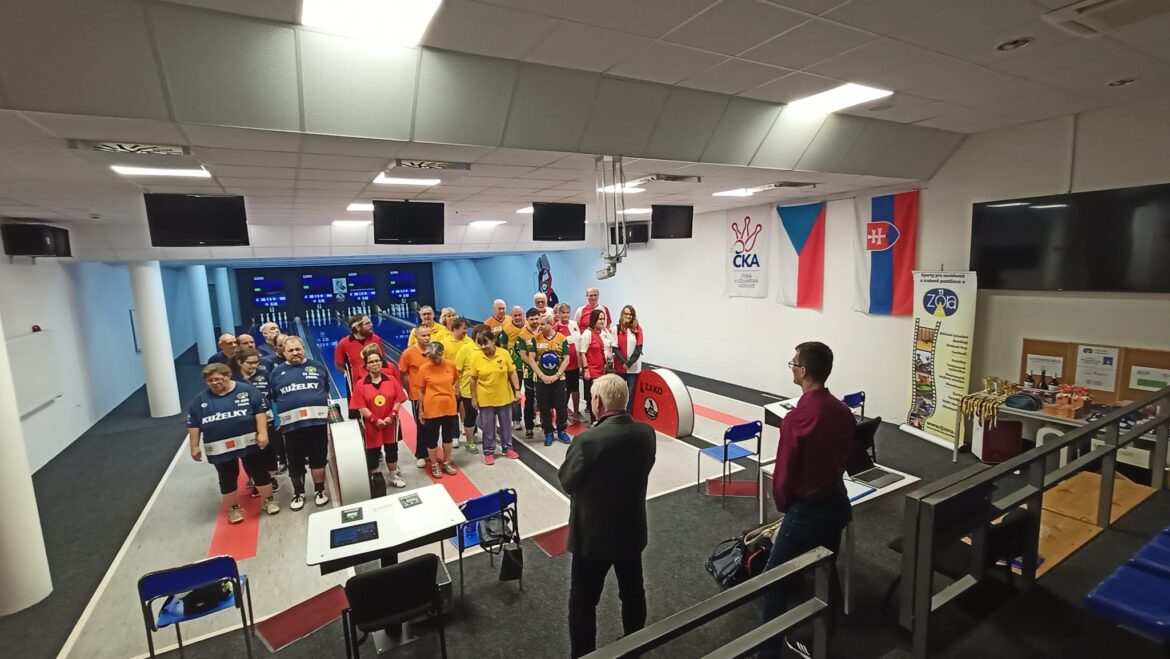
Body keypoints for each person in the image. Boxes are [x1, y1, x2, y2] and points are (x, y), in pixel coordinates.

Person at [762, 342, 855, 659]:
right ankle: (825, 639)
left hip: (806, 511)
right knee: (826, 569)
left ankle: (768, 653)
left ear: (803, 371)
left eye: (793, 363)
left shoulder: (798, 419)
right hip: (836, 504)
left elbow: (784, 473)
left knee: (773, 580)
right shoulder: (842, 411)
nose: (791, 367)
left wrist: (785, 505)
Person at [558, 374, 656, 658]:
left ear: (598, 402)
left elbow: (567, 481)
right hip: (631, 530)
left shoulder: (587, 441)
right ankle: (635, 647)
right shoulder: (646, 432)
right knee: (633, 593)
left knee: (583, 602)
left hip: (593, 536)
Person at [186, 363, 279, 524]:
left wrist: (263, 433)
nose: (214, 383)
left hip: (249, 442)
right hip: (219, 447)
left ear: (227, 376)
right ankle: (233, 509)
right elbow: (193, 425)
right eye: (210, 381)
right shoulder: (200, 400)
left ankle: (268, 501)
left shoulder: (247, 390)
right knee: (227, 477)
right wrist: (194, 446)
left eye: (217, 379)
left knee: (259, 472)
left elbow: (260, 413)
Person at [269, 336, 332, 511]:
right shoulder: (276, 373)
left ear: (303, 349)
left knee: (318, 458)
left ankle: (319, 490)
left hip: (317, 424)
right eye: (290, 350)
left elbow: (325, 390)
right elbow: (274, 397)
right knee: (295, 461)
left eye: (298, 349)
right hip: (292, 427)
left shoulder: (318, 367)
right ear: (284, 352)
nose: (295, 353)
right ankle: (299, 492)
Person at [351, 348, 406, 491]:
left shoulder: (391, 380)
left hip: (391, 423)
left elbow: (398, 400)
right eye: (371, 362)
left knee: (392, 449)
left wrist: (391, 416)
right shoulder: (360, 384)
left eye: (377, 361)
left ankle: (393, 476)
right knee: (373, 451)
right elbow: (360, 406)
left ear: (381, 362)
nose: (375, 364)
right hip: (371, 424)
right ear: (366, 365)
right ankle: (374, 477)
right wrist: (375, 420)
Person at [467, 324, 521, 465]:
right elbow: (472, 379)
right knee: (488, 427)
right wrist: (474, 398)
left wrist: (517, 390)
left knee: (506, 425)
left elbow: (512, 372)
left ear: (493, 341)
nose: (484, 347)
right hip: (485, 398)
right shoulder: (476, 357)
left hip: (504, 396)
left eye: (486, 343)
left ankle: (507, 448)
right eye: (481, 344)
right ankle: (489, 451)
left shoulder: (504, 353)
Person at [232, 347, 286, 484]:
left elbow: (274, 396)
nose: (254, 365)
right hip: (245, 422)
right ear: (240, 362)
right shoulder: (233, 379)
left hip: (267, 419)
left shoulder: (266, 374)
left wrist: (277, 418)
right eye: (250, 363)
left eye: (256, 362)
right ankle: (254, 478)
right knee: (248, 453)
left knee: (269, 450)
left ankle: (272, 478)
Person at [335, 314, 395, 419]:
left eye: (370, 322)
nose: (371, 324)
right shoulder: (344, 344)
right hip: (356, 389)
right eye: (367, 323)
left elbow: (382, 360)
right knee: (359, 419)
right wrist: (349, 375)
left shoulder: (376, 339)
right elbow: (339, 365)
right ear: (358, 327)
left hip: (377, 387)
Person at [417, 342, 460, 479]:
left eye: (436, 357)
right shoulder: (424, 369)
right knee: (432, 438)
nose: (433, 360)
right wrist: (421, 410)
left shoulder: (451, 365)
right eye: (431, 357)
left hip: (449, 407)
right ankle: (434, 464)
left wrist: (455, 391)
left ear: (442, 354)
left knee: (448, 437)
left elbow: (456, 379)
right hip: (432, 408)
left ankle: (447, 462)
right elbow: (421, 391)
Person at [531, 314, 572, 446]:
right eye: (539, 324)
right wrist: (542, 376)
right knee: (544, 407)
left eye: (543, 324)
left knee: (561, 407)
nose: (540, 326)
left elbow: (566, 359)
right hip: (541, 380)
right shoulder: (535, 339)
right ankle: (548, 431)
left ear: (551, 324)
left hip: (559, 379)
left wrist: (557, 375)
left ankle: (561, 430)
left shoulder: (561, 338)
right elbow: (531, 359)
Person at [399, 325, 431, 468]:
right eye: (423, 335)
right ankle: (421, 454)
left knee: (433, 425)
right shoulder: (408, 353)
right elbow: (403, 374)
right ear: (416, 336)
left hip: (433, 394)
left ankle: (430, 450)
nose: (427, 338)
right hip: (417, 395)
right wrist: (410, 390)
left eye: (428, 335)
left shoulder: (433, 350)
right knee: (421, 425)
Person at [441, 317, 473, 450]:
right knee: (452, 411)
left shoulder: (469, 342)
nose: (466, 331)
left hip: (466, 382)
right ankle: (454, 436)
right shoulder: (444, 343)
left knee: (469, 409)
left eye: (467, 329)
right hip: (450, 382)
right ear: (454, 328)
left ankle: (470, 432)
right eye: (463, 329)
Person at [578, 309, 614, 424]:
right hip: (591, 371)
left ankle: (600, 418)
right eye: (600, 319)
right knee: (592, 397)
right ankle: (594, 420)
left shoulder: (602, 333)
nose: (602, 321)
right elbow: (582, 353)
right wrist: (586, 370)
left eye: (603, 319)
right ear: (594, 320)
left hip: (601, 370)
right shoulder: (587, 334)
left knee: (601, 396)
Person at [453, 323, 482, 454]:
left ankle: (488, 437)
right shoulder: (466, 349)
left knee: (488, 415)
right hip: (468, 389)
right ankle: (469, 441)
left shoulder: (490, 348)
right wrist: (457, 387)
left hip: (487, 389)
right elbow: (457, 371)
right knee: (470, 415)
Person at [554, 303, 584, 421]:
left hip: (576, 363)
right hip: (564, 365)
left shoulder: (574, 324)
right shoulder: (556, 327)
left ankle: (576, 412)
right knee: (564, 390)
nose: (566, 315)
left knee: (575, 389)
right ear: (559, 313)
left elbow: (579, 341)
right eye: (563, 312)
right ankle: (563, 414)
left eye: (567, 312)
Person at [516, 307, 542, 439]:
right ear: (527, 320)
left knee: (544, 399)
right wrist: (534, 365)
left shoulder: (543, 331)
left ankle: (546, 425)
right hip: (529, 372)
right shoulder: (522, 335)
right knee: (529, 400)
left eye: (537, 319)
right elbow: (522, 355)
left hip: (544, 372)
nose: (535, 321)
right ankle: (529, 427)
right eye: (532, 319)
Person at [613, 305, 645, 413]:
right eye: (626, 314)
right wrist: (623, 362)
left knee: (631, 393)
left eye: (630, 314)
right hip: (620, 367)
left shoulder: (637, 328)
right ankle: (618, 413)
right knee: (619, 392)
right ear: (622, 314)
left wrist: (629, 363)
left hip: (633, 368)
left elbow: (638, 348)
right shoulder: (616, 328)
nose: (628, 316)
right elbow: (615, 347)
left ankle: (628, 414)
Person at [502, 305, 528, 430]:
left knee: (531, 393)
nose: (518, 318)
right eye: (515, 315)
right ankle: (516, 419)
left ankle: (533, 416)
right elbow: (502, 349)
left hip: (529, 367)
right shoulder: (506, 329)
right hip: (514, 368)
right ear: (511, 316)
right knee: (515, 393)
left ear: (524, 315)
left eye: (520, 315)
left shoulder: (530, 326)